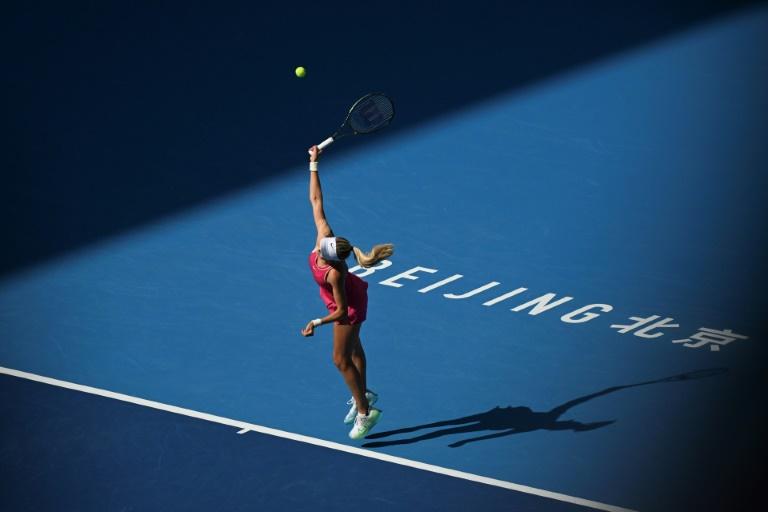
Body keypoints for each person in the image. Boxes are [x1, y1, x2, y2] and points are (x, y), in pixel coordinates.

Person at [301, 145, 394, 440]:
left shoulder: (335, 272)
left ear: (333, 259)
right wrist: (314, 164)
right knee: (354, 349)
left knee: (340, 359)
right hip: (349, 298)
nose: (320, 248)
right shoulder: (324, 236)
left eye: (324, 252)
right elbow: (316, 200)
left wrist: (315, 323)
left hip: (348, 305)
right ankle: (362, 394)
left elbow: (341, 312)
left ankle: (366, 412)